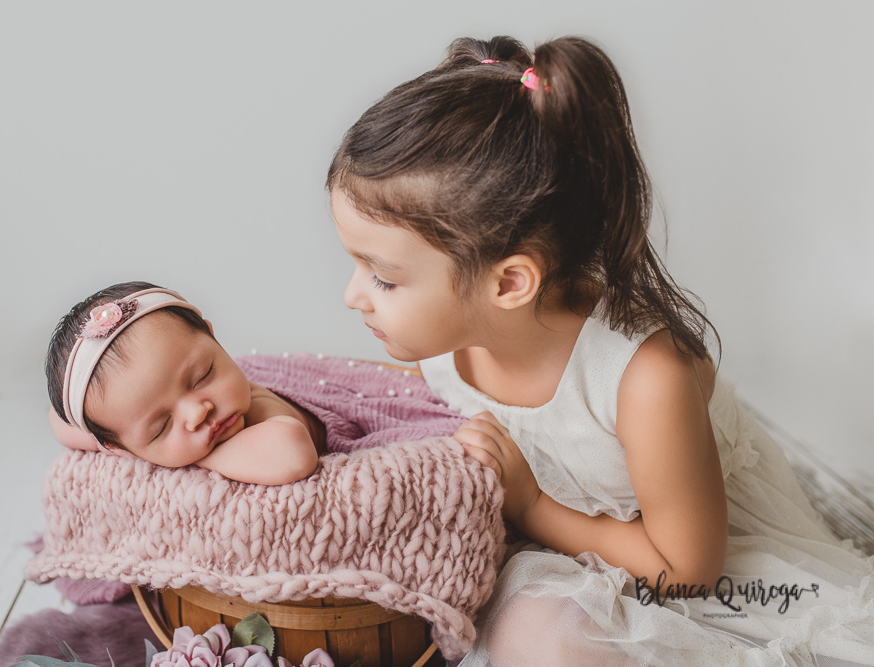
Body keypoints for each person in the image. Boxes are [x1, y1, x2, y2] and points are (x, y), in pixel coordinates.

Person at [327, 35, 874, 665]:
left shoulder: (643, 377)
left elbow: (687, 569)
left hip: (702, 575)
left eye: (383, 279)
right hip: (566, 551)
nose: (352, 297)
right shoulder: (445, 338)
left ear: (508, 282)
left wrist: (530, 504)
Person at [45, 282, 324, 485]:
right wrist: (130, 446)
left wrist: (184, 456)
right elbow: (58, 421)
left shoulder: (259, 409)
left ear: (212, 335)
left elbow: (293, 457)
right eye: (161, 427)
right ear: (120, 448)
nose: (197, 413)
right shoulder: (122, 433)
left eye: (203, 375)